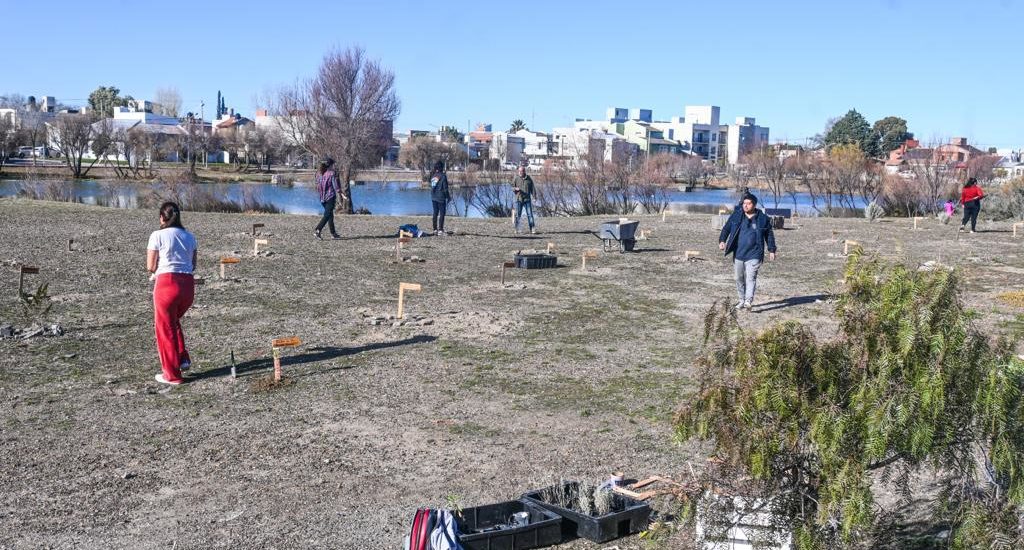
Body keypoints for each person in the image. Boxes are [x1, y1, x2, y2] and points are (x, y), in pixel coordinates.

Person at [146, 202, 197, 385]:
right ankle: (182, 358)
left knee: (164, 329)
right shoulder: (190, 236)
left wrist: (157, 270)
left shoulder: (157, 235)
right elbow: (193, 264)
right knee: (173, 321)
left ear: (162, 217)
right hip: (188, 287)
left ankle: (172, 375)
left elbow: (151, 266)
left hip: (167, 285)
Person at [719, 193, 777, 310]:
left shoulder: (763, 219)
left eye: (748, 203)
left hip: (755, 254)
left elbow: (769, 235)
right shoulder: (737, 216)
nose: (745, 206)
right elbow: (726, 229)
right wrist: (722, 240)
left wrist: (771, 250)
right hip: (739, 254)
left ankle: (748, 301)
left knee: (751, 278)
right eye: (744, 203)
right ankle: (741, 300)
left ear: (754, 205)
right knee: (738, 278)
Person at [314, 158, 342, 240]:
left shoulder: (318, 174)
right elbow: (336, 186)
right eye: (333, 165)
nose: (334, 166)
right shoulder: (332, 174)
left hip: (322, 198)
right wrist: (341, 193)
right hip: (330, 197)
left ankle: (333, 233)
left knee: (330, 215)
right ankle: (318, 230)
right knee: (327, 215)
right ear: (330, 165)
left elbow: (317, 184)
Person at [512, 165, 537, 234]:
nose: (520, 172)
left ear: (524, 171)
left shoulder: (529, 179)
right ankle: (516, 228)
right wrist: (515, 189)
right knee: (518, 215)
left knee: (530, 214)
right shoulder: (516, 178)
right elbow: (512, 187)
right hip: (519, 199)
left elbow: (532, 188)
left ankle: (532, 228)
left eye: (521, 171)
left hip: (527, 200)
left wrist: (534, 197)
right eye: (519, 171)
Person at [429, 160, 450, 235]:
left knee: (435, 213)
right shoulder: (443, 176)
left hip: (433, 197)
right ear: (442, 167)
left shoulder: (433, 175)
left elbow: (431, 186)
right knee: (442, 213)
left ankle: (435, 229)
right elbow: (445, 189)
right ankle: (440, 229)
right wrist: (448, 197)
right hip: (441, 198)